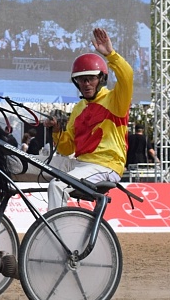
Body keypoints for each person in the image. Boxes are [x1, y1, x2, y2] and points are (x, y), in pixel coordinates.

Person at [43, 28, 132, 210]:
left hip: (105, 165)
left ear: (101, 79)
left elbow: (128, 77)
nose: (86, 84)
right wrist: (56, 130)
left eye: (90, 79)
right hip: (79, 163)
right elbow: (67, 148)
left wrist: (111, 55)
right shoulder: (78, 108)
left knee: (57, 186)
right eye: (81, 80)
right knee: (30, 162)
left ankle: (55, 235)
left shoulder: (116, 101)